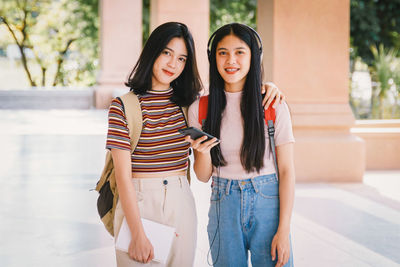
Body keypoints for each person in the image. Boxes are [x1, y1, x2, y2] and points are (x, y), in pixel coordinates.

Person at [105, 22, 285, 267]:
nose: (172, 64)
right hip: (138, 201)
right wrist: (136, 233)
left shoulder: (188, 103)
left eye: (181, 58)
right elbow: (123, 177)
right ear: (152, 52)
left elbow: (236, 91)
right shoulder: (123, 107)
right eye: (166, 53)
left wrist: (267, 86)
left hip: (181, 202)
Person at [187, 23, 295, 267]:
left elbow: (287, 170)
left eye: (239, 52)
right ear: (212, 57)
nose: (230, 60)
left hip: (268, 204)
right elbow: (203, 176)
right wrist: (202, 153)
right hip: (223, 204)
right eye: (222, 52)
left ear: (254, 57)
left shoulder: (273, 104)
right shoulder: (200, 109)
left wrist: (284, 230)